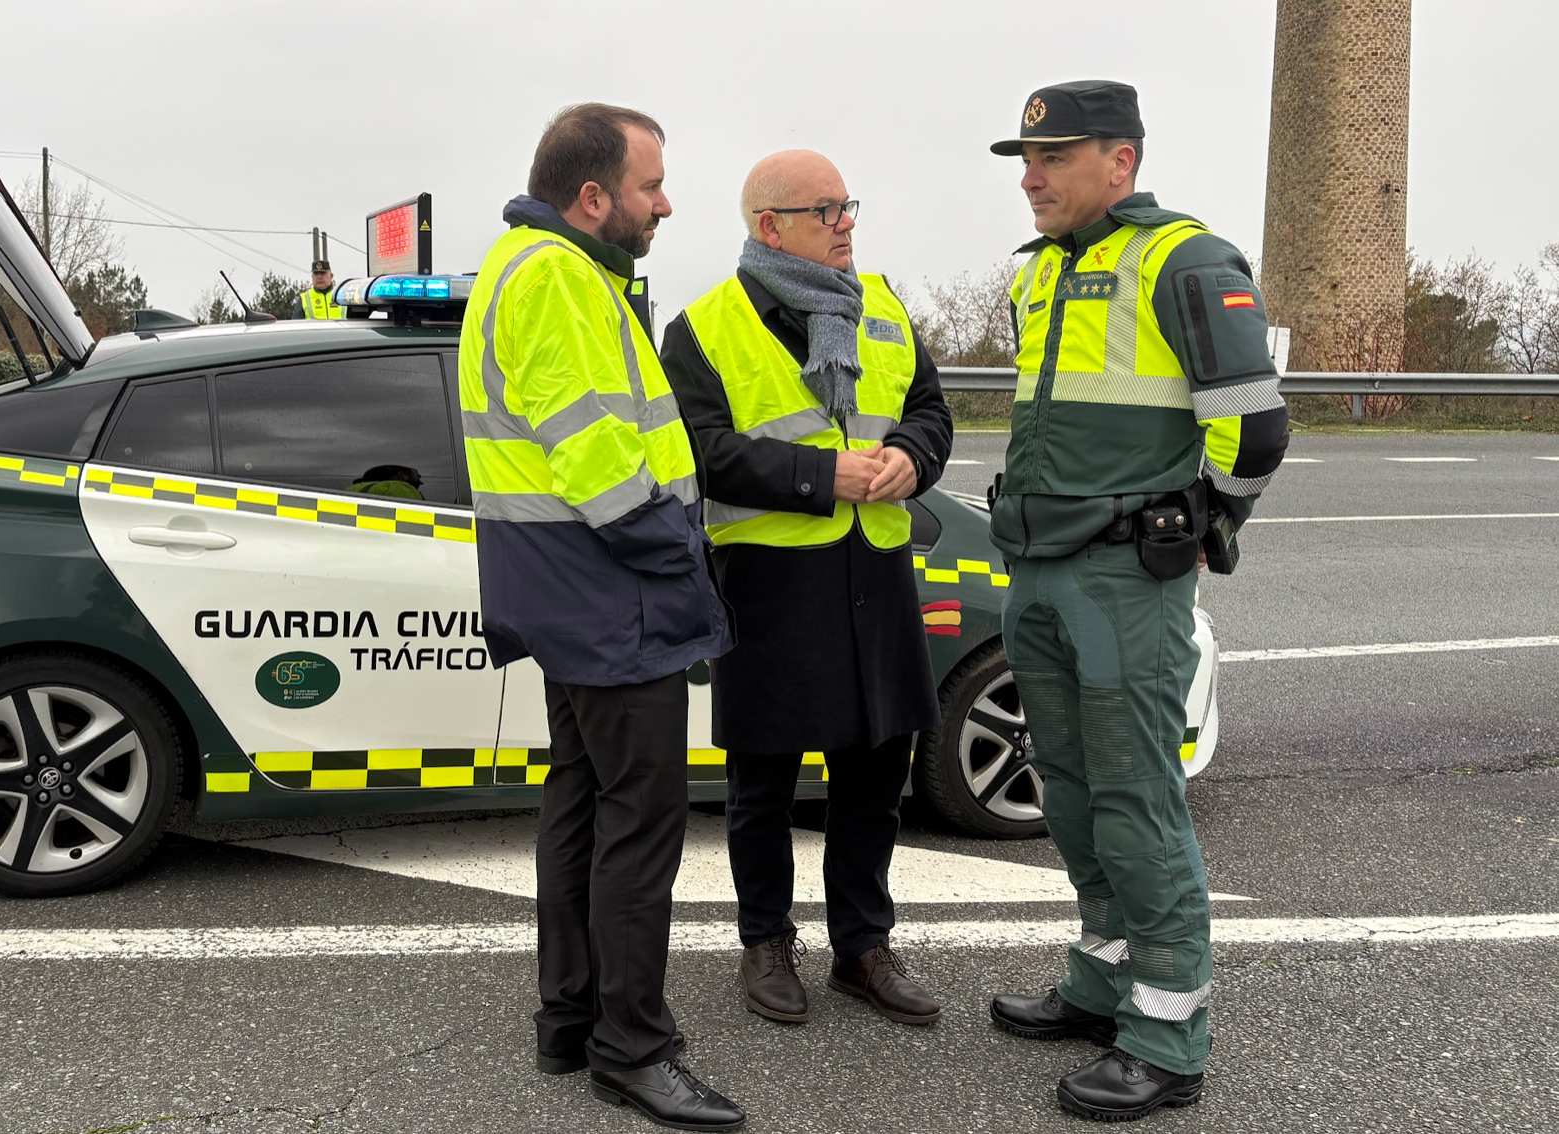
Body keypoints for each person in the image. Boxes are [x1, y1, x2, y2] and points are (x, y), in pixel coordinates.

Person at [981, 80, 1288, 1122]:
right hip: (1038, 566)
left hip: (1122, 576)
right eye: (1026, 159)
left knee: (1136, 802)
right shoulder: (1042, 273)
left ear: (1119, 160)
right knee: (1066, 792)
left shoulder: (1184, 259)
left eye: (1054, 157)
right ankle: (1103, 982)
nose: (1031, 177)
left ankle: (1166, 1036)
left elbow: (1251, 431)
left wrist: (1200, 527)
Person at [458, 102, 744, 1132]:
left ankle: (569, 1019)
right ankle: (632, 1046)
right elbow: (594, 455)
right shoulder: (561, 277)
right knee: (638, 827)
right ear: (592, 197)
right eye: (649, 186)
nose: (663, 204)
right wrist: (679, 567)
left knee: (579, 808)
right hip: (608, 589)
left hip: (565, 591)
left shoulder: (523, 265)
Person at [661, 151, 952, 1031]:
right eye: (827, 211)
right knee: (764, 787)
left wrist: (911, 456)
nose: (847, 224)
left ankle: (863, 949)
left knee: (876, 779)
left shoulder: (885, 307)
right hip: (771, 582)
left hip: (876, 573)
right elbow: (704, 453)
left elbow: (930, 411)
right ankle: (766, 943)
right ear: (769, 226)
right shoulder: (702, 328)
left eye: (848, 206)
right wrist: (822, 477)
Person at [347, 464, 424, 499]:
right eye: (417, 475)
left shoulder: (351, 490)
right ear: (401, 475)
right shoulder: (402, 490)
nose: (420, 476)